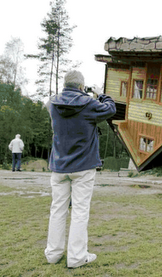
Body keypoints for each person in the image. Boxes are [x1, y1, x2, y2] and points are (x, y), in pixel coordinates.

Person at [44, 70, 116, 268]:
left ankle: (53, 253)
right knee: (80, 211)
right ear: (81, 87)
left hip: (59, 166)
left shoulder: (52, 103)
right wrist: (101, 93)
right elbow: (110, 109)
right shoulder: (88, 103)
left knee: (57, 210)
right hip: (84, 166)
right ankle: (76, 257)